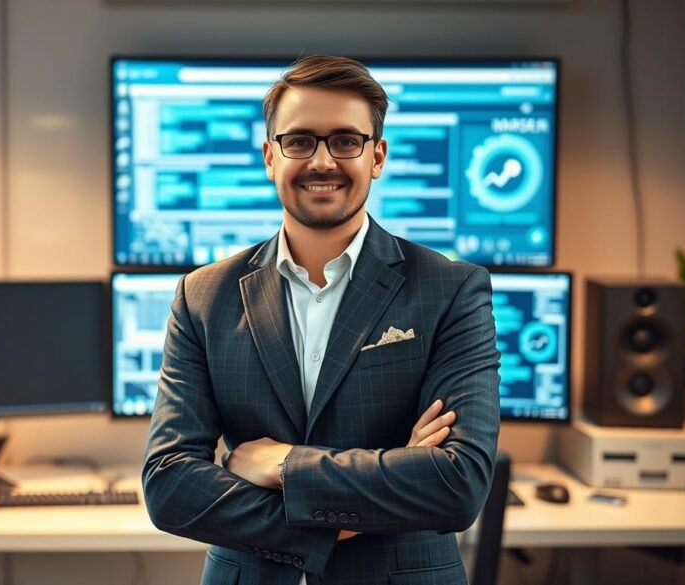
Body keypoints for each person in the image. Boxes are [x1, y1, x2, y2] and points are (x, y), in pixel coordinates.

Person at [142, 54, 501, 585]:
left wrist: (283, 463)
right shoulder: (203, 296)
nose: (323, 161)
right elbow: (169, 485)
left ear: (376, 156)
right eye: (300, 141)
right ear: (270, 156)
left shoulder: (451, 290)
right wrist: (351, 509)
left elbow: (457, 485)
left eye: (345, 141)